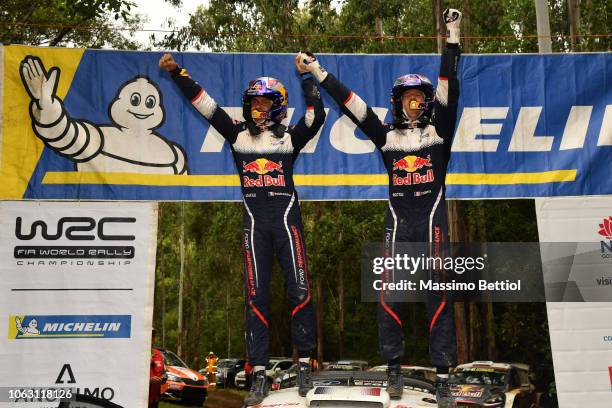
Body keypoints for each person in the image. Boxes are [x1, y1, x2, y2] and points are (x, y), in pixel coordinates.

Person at [297, 8, 462, 406]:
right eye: (408, 99)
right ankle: (393, 366)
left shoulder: (439, 133)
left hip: (432, 225)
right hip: (397, 225)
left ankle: (442, 374)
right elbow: (352, 104)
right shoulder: (386, 137)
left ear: (426, 104)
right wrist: (317, 71)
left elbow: (448, 84)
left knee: (436, 296)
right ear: (398, 103)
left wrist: (452, 34)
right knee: (388, 292)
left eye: (420, 99)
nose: (415, 105)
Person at [160, 53, 326, 405]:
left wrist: (308, 77)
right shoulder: (237, 137)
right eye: (253, 103)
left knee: (300, 291)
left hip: (287, 224)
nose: (257, 109)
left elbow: (316, 116)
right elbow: (206, 106)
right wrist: (177, 74)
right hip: (255, 227)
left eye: (265, 103)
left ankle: (306, 365)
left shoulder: (288, 140)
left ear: (278, 107)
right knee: (256, 298)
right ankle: (259, 374)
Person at [149, 329, 165, 408]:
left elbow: (162, 372)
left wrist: (163, 378)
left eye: (153, 336)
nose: (152, 338)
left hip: (155, 397)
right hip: (142, 396)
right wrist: (148, 380)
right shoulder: (138, 353)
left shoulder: (158, 354)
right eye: (149, 335)